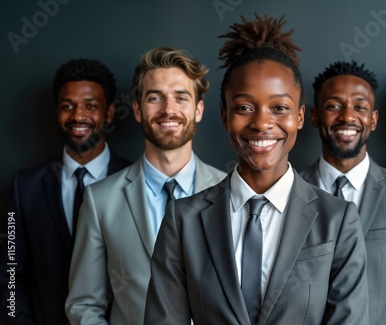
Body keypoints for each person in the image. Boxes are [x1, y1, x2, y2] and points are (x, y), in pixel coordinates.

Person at [144, 14, 369, 325]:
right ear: (224, 117)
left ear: (300, 116)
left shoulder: (338, 220)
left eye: (279, 108)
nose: (262, 123)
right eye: (244, 108)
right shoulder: (183, 220)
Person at [65, 47, 227, 324]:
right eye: (155, 97)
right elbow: (83, 304)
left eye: (181, 97)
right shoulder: (99, 200)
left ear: (198, 109)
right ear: (138, 110)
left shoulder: (231, 191)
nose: (169, 110)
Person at [300, 61, 386, 324]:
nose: (348, 117)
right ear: (315, 117)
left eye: (360, 107)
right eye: (334, 106)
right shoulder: (287, 192)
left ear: (373, 120)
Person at [0, 58, 131, 325]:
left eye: (90, 106)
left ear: (108, 113)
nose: (78, 116)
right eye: (67, 106)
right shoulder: (24, 187)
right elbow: (10, 273)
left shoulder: (136, 181)